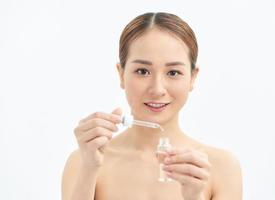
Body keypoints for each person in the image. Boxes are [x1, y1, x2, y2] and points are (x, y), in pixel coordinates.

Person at [61, 12, 242, 200]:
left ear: (192, 77)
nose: (157, 89)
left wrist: (194, 196)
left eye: (173, 72)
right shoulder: (84, 163)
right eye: (142, 71)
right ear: (121, 74)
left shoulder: (221, 168)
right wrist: (89, 169)